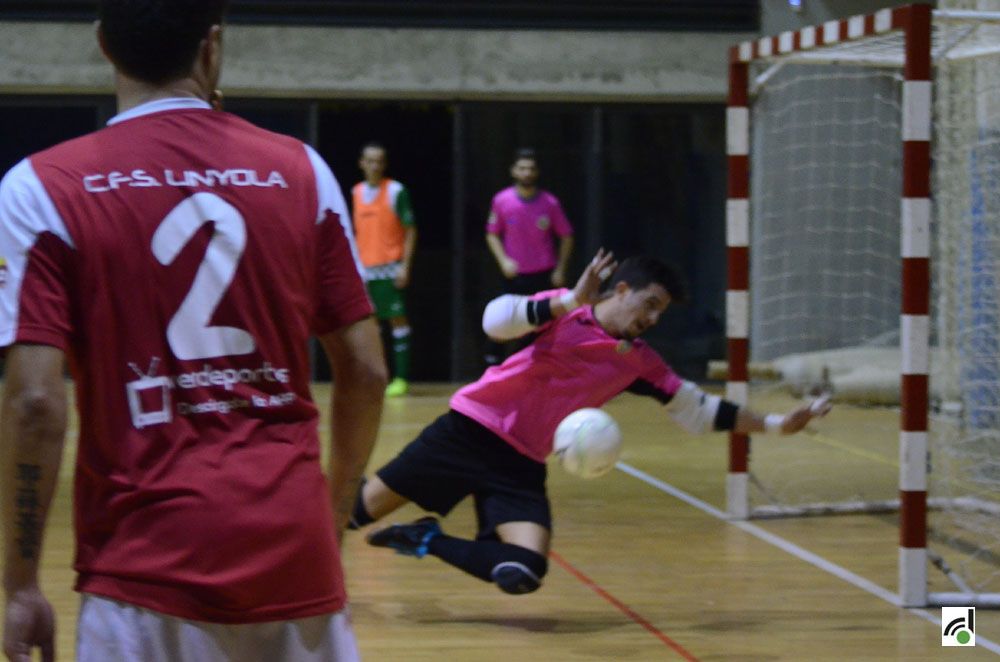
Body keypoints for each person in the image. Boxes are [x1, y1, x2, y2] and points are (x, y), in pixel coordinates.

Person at [0, 2, 387, 661]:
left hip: (143, 566)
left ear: (103, 47)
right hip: (295, 557)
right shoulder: (302, 171)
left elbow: (35, 403)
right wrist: (330, 517)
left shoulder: (40, 187)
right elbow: (367, 371)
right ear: (213, 46)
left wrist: (19, 584)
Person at [349, 250, 831, 596]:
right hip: (467, 433)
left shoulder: (638, 362)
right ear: (621, 290)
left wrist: (773, 424)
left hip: (519, 465)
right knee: (353, 513)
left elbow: (698, 411)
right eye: (649, 303)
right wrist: (565, 300)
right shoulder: (567, 308)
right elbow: (496, 321)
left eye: (660, 312)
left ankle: (427, 539)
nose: (652, 318)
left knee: (525, 571)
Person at [483, 148, 574, 366]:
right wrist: (503, 260)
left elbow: (567, 236)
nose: (527, 173)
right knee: (502, 321)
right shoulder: (502, 200)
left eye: (531, 168)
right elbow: (492, 233)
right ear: (513, 171)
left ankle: (531, 368)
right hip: (514, 276)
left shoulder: (549, 203)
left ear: (537, 172)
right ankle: (491, 368)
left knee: (542, 326)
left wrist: (560, 268)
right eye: (522, 168)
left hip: (542, 275)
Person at [352, 142, 417, 398]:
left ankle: (401, 378)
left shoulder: (396, 191)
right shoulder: (355, 191)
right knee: (370, 326)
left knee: (398, 323)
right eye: (370, 161)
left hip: (390, 268)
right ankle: (377, 378)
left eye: (379, 161)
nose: (375, 165)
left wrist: (405, 266)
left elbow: (410, 230)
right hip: (365, 269)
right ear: (361, 163)